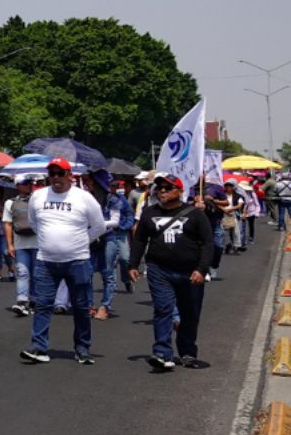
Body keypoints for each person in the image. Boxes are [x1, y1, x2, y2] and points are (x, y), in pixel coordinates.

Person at [19, 158, 107, 366]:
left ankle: (82, 349)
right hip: (46, 261)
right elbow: (34, 222)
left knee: (81, 307)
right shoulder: (38, 197)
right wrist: (51, 240)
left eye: (60, 173)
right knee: (42, 305)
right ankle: (39, 348)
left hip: (77, 261)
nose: (56, 178)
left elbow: (99, 226)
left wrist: (79, 242)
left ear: (70, 176)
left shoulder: (84, 198)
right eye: (52, 174)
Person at [129, 174, 213, 370]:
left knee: (189, 314)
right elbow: (140, 239)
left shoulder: (195, 214)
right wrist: (133, 265)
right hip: (160, 270)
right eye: (159, 188)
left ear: (180, 191)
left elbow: (208, 244)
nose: (162, 191)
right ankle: (162, 353)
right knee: (163, 310)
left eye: (168, 188)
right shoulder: (149, 213)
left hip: (190, 272)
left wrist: (202, 269)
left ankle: (188, 353)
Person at [91, 170, 131, 320]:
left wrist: (98, 224)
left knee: (108, 271)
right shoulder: (86, 198)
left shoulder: (115, 200)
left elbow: (115, 220)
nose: (89, 185)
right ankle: (89, 305)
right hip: (91, 238)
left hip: (110, 236)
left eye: (92, 182)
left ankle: (105, 306)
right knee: (87, 272)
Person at [221, 181, 244, 255]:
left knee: (236, 232)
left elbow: (240, 205)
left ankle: (236, 247)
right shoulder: (222, 195)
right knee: (224, 232)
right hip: (223, 214)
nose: (228, 188)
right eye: (227, 186)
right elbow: (217, 203)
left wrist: (231, 209)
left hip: (233, 214)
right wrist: (224, 209)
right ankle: (227, 245)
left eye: (230, 186)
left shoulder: (238, 196)